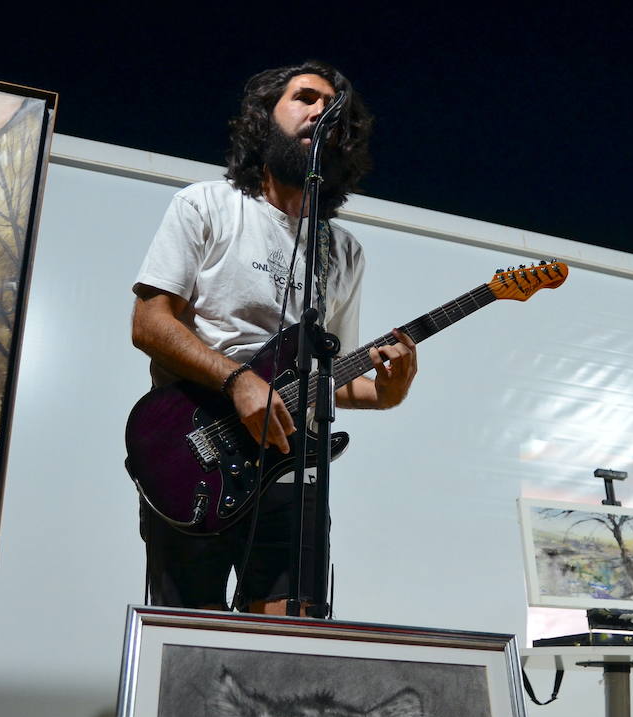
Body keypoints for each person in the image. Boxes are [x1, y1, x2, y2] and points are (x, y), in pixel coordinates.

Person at [130, 62, 417, 615]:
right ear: (265, 117)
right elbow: (150, 324)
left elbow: (329, 381)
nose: (320, 114)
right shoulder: (207, 205)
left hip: (292, 465)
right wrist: (238, 381)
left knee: (291, 641)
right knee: (191, 636)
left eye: (335, 111)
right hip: (195, 451)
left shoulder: (344, 251)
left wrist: (387, 391)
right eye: (305, 98)